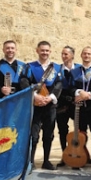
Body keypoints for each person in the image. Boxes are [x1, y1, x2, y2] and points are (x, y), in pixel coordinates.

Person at [20, 41, 63, 170]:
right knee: (33, 134)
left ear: (50, 52)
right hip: (35, 105)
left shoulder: (56, 68)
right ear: (37, 51)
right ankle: (31, 161)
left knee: (48, 134)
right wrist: (34, 96)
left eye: (47, 50)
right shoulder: (29, 67)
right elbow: (23, 82)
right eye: (42, 50)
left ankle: (46, 161)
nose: (44, 53)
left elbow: (59, 84)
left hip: (50, 106)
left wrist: (50, 98)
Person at [55, 46, 80, 167]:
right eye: (62, 54)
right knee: (62, 130)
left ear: (72, 55)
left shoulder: (80, 69)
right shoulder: (57, 70)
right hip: (62, 105)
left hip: (78, 105)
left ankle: (81, 153)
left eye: (66, 54)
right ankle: (65, 155)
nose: (64, 56)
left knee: (81, 129)